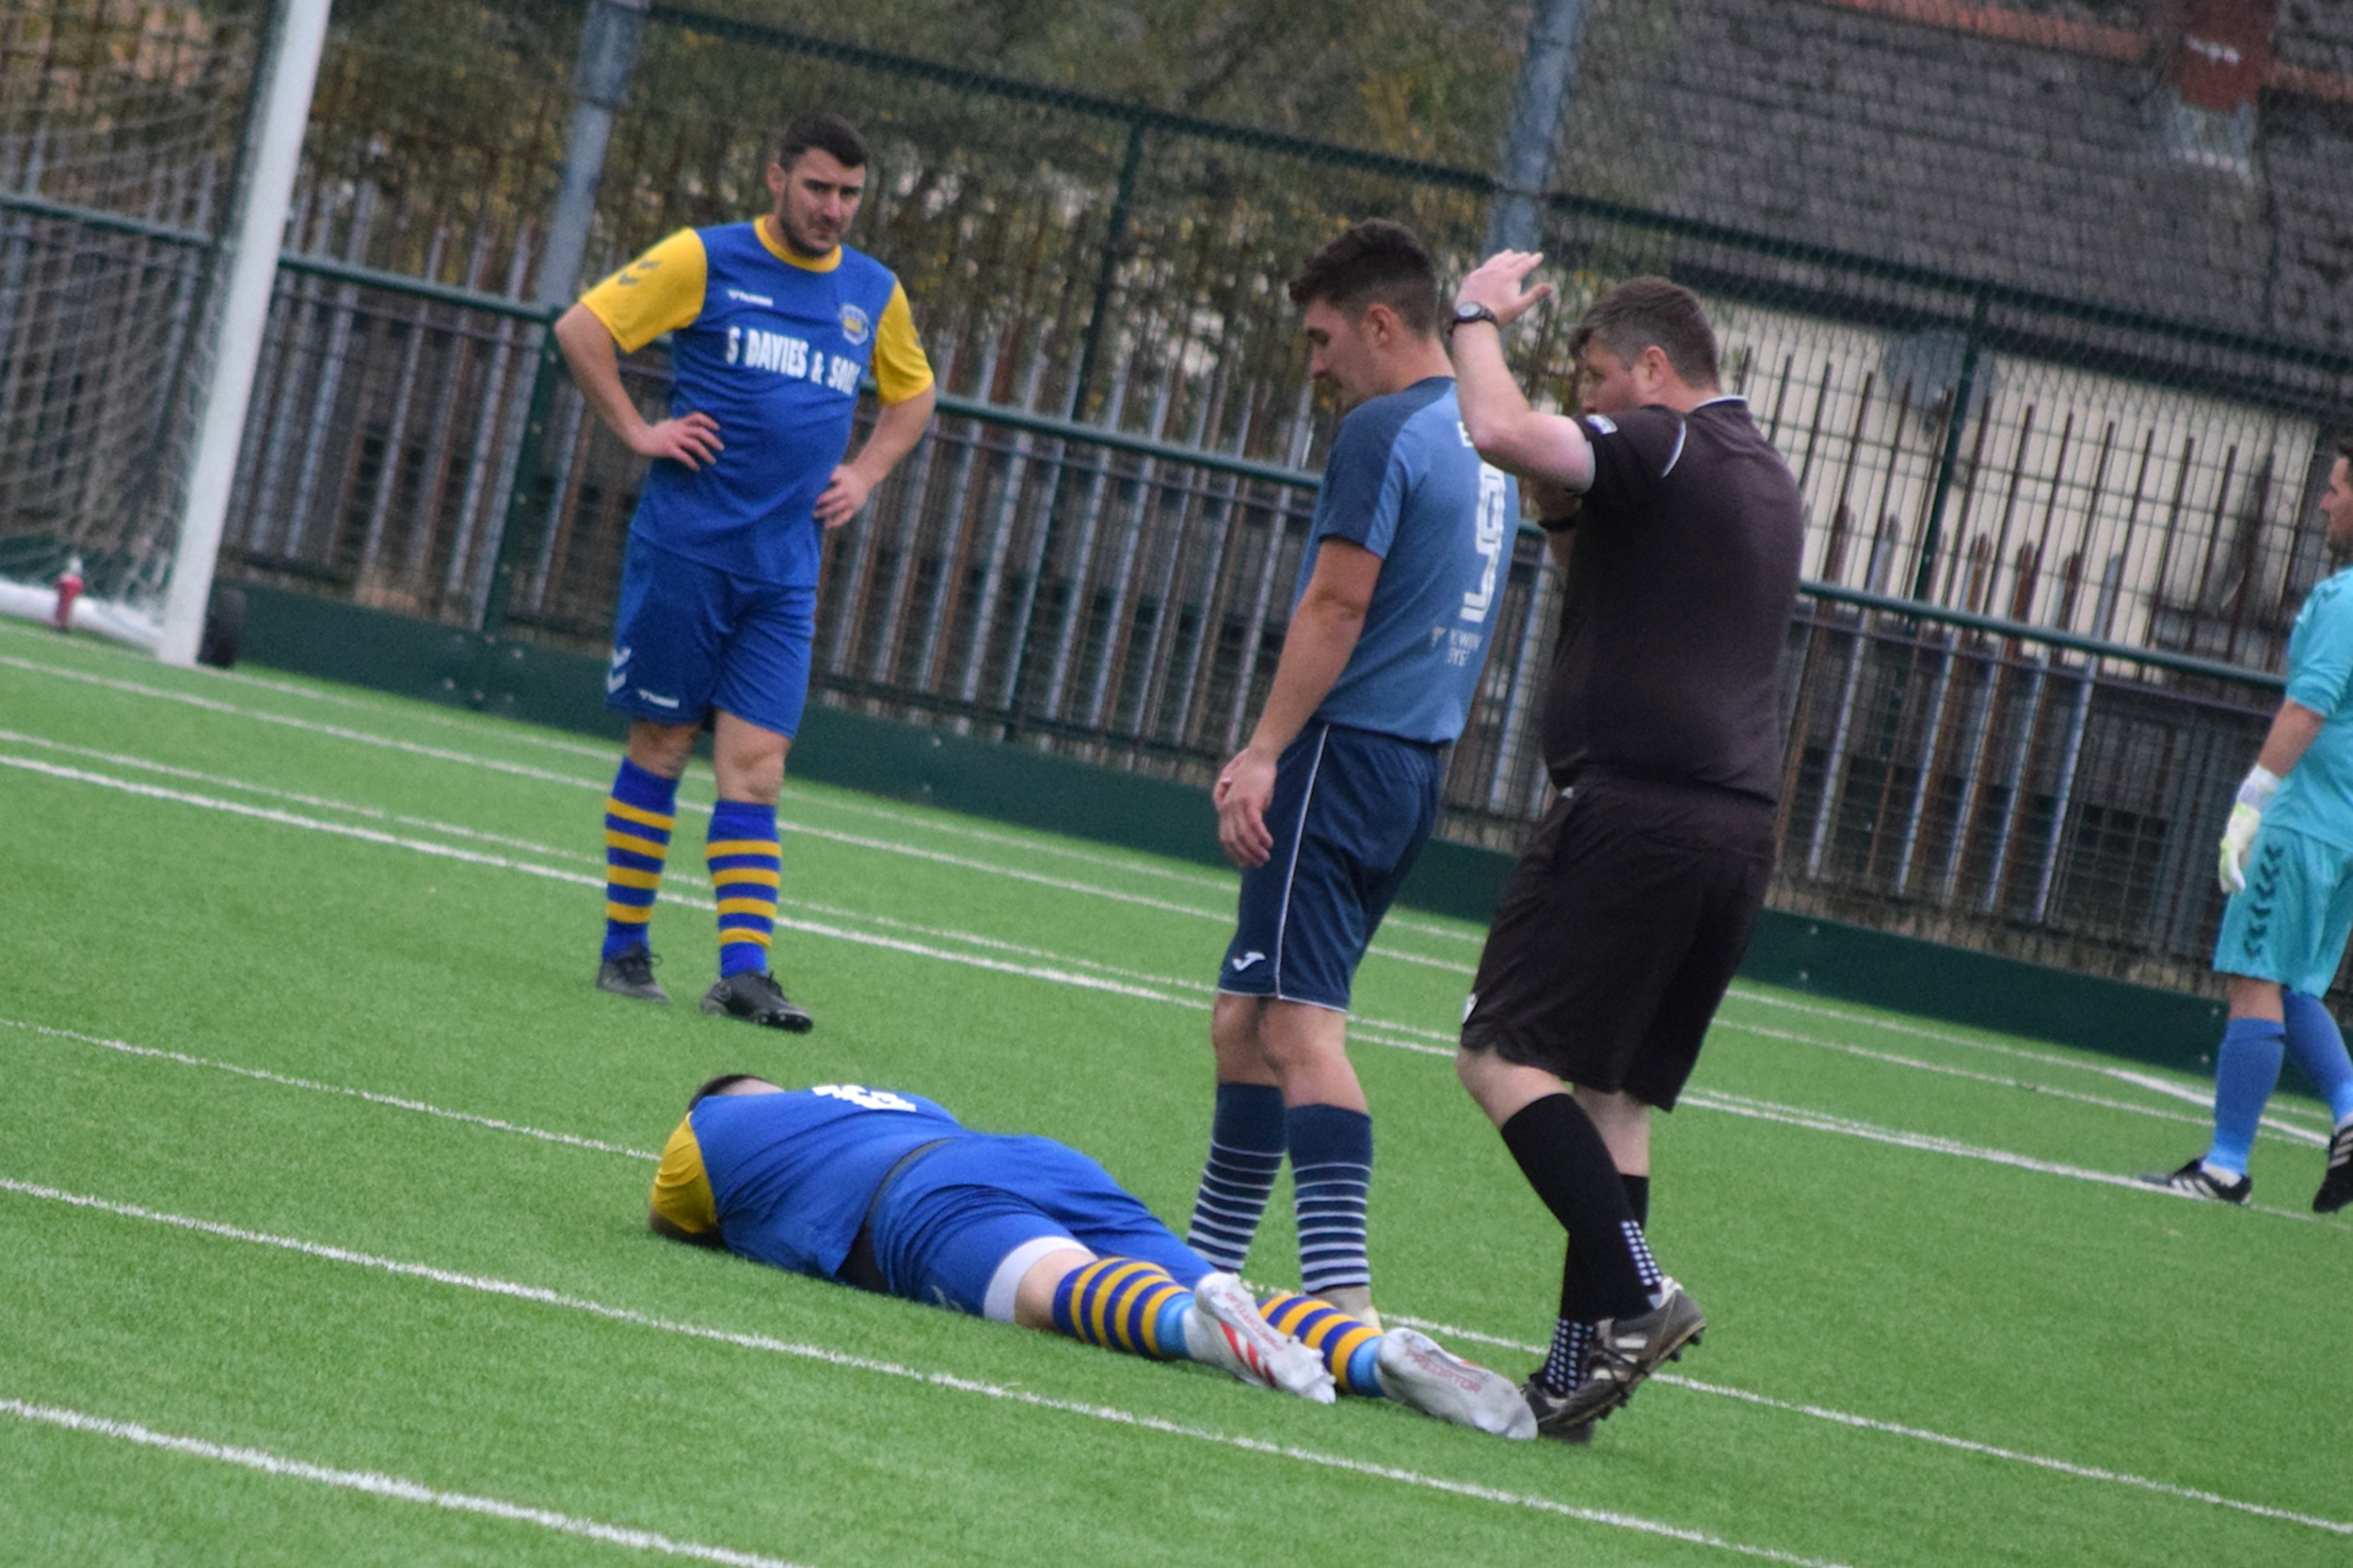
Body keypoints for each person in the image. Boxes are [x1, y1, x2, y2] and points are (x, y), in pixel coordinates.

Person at [1444, 261, 1803, 1441]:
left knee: (1498, 1056)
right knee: (1612, 1096)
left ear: (1655, 370)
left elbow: (1496, 427)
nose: (1587, 404)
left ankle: (1639, 1293)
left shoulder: (1665, 443)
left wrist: (1471, 316)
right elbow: (1600, 582)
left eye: (1596, 381)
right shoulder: (1761, 474)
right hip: (1732, 833)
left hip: (1635, 815)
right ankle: (1573, 1373)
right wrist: (1565, 508)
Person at [1183, 222, 1516, 1326]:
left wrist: (1263, 750)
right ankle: (1205, 1269)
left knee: (1296, 1031)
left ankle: (1342, 1305)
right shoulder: (1481, 435)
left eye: (1324, 338)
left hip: (1342, 754)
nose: (1315, 363)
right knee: (1245, 1016)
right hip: (1412, 766)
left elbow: (1337, 603)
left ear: (1380, 323)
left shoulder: (1383, 429)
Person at [556, 112, 937, 1031]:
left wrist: (865, 472)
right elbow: (582, 328)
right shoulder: (704, 257)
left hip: (784, 574)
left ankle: (744, 974)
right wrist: (638, 430)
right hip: (688, 553)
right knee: (661, 746)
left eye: (849, 193)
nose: (833, 208)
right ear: (776, 179)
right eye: (817, 187)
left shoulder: (871, 290)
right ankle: (624, 950)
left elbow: (914, 392)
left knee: (758, 769)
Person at [646, 1073, 1536, 1438]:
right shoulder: (892, 1098)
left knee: (1055, 1288)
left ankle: (1196, 1333)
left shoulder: (715, 1123)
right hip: (1034, 1156)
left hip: (917, 1199)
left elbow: (670, 1216)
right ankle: (1375, 1356)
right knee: (1192, 1266)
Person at [2141, 437, 2353, 1213]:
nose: (2324, 503)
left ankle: (2225, 1165)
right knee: (2297, 984)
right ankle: (2351, 1111)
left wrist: (2252, 800)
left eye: (2336, 488)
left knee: (2255, 978)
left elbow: (2309, 705)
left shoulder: (2343, 600)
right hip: (2348, 833)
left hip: (2304, 818)